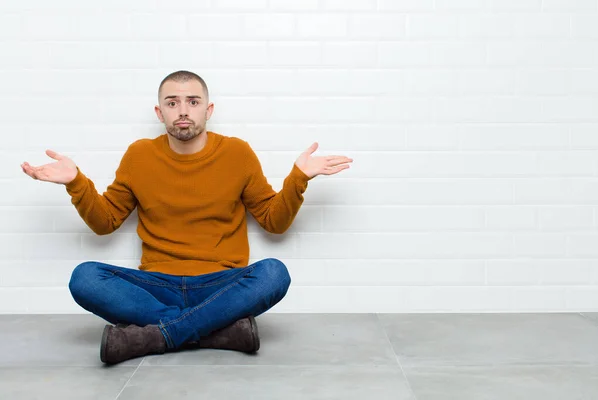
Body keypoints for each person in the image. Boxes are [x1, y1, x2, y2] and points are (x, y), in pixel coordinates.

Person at [20, 70, 353, 365]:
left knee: (274, 273)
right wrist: (75, 182)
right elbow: (105, 222)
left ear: (208, 110)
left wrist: (299, 179)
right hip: (156, 286)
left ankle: (158, 335)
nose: (182, 110)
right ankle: (213, 332)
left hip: (220, 285)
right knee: (84, 277)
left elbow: (273, 221)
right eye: (172, 102)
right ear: (159, 111)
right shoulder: (140, 155)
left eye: (193, 102)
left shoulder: (237, 153)